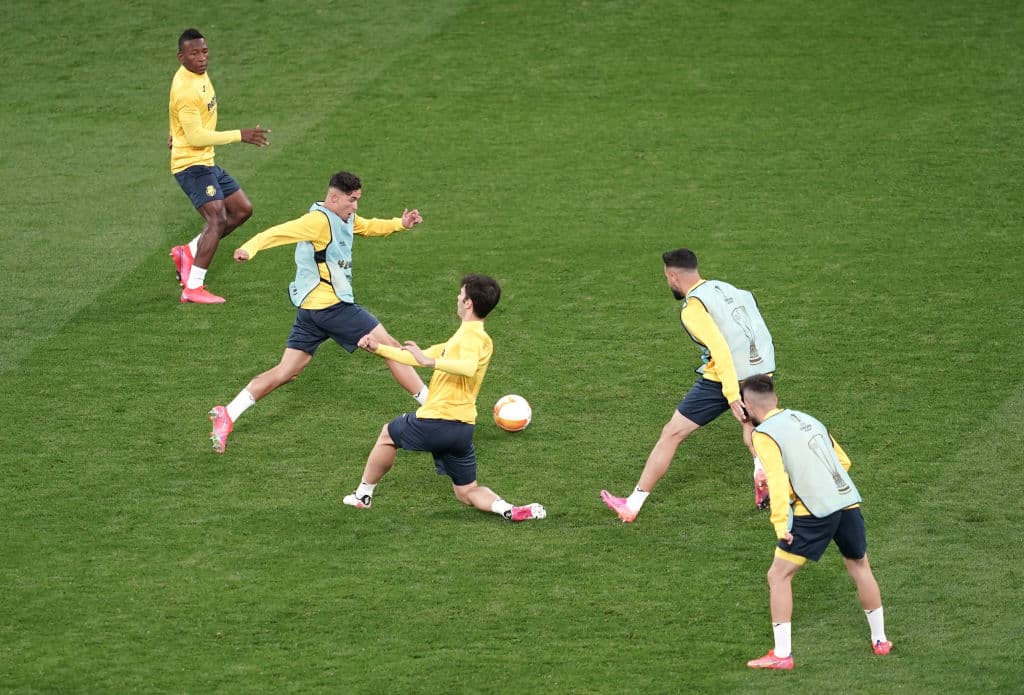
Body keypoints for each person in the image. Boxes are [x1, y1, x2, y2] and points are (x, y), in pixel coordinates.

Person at [207, 171, 428, 452]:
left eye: (358, 199)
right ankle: (434, 406)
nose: (356, 206)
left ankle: (228, 413)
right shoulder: (317, 221)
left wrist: (401, 223)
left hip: (311, 312)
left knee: (286, 371)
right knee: (391, 348)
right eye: (351, 200)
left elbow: (368, 226)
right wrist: (249, 249)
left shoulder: (344, 217)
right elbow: (277, 233)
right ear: (334, 198)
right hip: (332, 306)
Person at [342, 274, 546, 523]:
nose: (458, 299)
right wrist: (378, 348)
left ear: (469, 303)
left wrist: (431, 362)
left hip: (438, 420)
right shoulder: (466, 337)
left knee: (387, 435)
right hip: (462, 430)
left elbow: (467, 366)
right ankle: (509, 509)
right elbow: (417, 356)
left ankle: (363, 496)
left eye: (461, 295)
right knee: (466, 491)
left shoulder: (473, 337)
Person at [601, 247, 776, 522]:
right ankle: (763, 472)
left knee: (672, 433)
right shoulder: (730, 289)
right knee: (752, 427)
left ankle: (632, 504)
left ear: (672, 276)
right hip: (762, 369)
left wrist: (732, 395)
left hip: (726, 377)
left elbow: (720, 348)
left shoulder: (693, 308)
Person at [739, 374, 891, 669]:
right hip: (847, 501)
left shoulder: (764, 435)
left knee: (778, 575)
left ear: (746, 406)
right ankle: (880, 640)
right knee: (860, 566)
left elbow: (778, 481)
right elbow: (843, 462)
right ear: (775, 398)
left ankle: (782, 656)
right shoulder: (807, 418)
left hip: (814, 512)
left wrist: (781, 524)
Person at [168, 27, 271, 304]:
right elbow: (196, 136)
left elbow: (180, 119)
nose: (202, 58)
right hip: (191, 165)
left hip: (205, 161)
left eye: (204, 51)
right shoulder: (186, 88)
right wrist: (241, 135)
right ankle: (193, 287)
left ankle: (188, 251)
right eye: (194, 54)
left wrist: (175, 133)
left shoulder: (197, 74)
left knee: (241, 209)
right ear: (181, 57)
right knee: (217, 218)